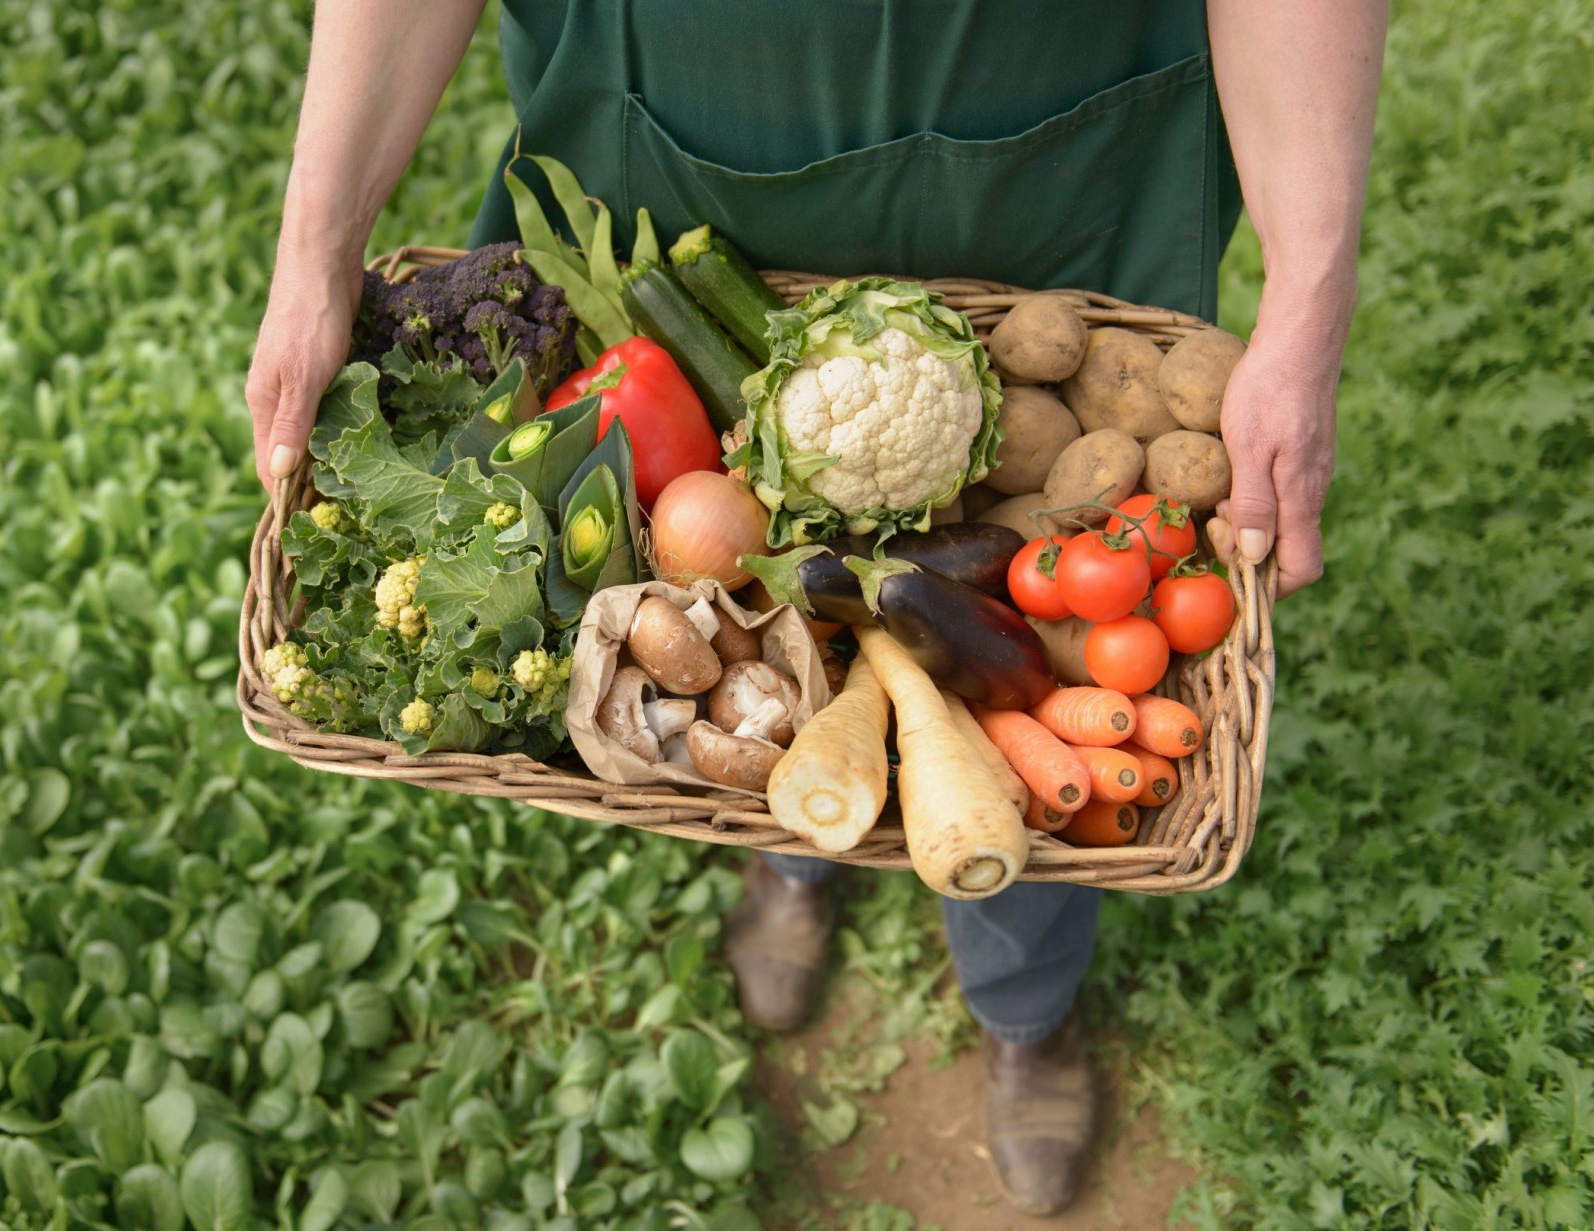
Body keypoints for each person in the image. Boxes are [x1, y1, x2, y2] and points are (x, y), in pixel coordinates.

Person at [247, 1, 1385, 1215]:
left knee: (1042, 695)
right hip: (678, 164)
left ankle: (1023, 1001)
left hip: (1052, 165)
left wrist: (1310, 306)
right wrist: (316, 253)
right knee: (757, 626)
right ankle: (792, 851)